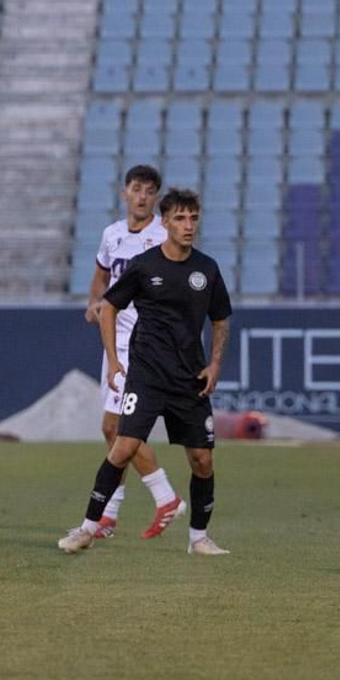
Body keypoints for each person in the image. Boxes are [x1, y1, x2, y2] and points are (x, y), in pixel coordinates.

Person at [57, 188, 233, 556]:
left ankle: (198, 538)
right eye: (180, 219)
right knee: (122, 447)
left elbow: (221, 318)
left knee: (202, 460)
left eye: (193, 218)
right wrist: (113, 358)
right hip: (148, 376)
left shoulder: (207, 269)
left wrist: (214, 364)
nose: (188, 226)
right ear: (165, 222)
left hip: (189, 381)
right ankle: (87, 528)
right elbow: (109, 307)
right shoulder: (145, 265)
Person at [83, 164, 184, 540]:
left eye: (149, 191)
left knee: (120, 429)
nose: (142, 197)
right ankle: (110, 514)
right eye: (136, 189)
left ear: (156, 197)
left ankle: (165, 498)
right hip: (115, 343)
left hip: (146, 346)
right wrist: (95, 302)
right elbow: (100, 278)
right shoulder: (112, 235)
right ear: (125, 192)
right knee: (112, 429)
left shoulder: (164, 236)